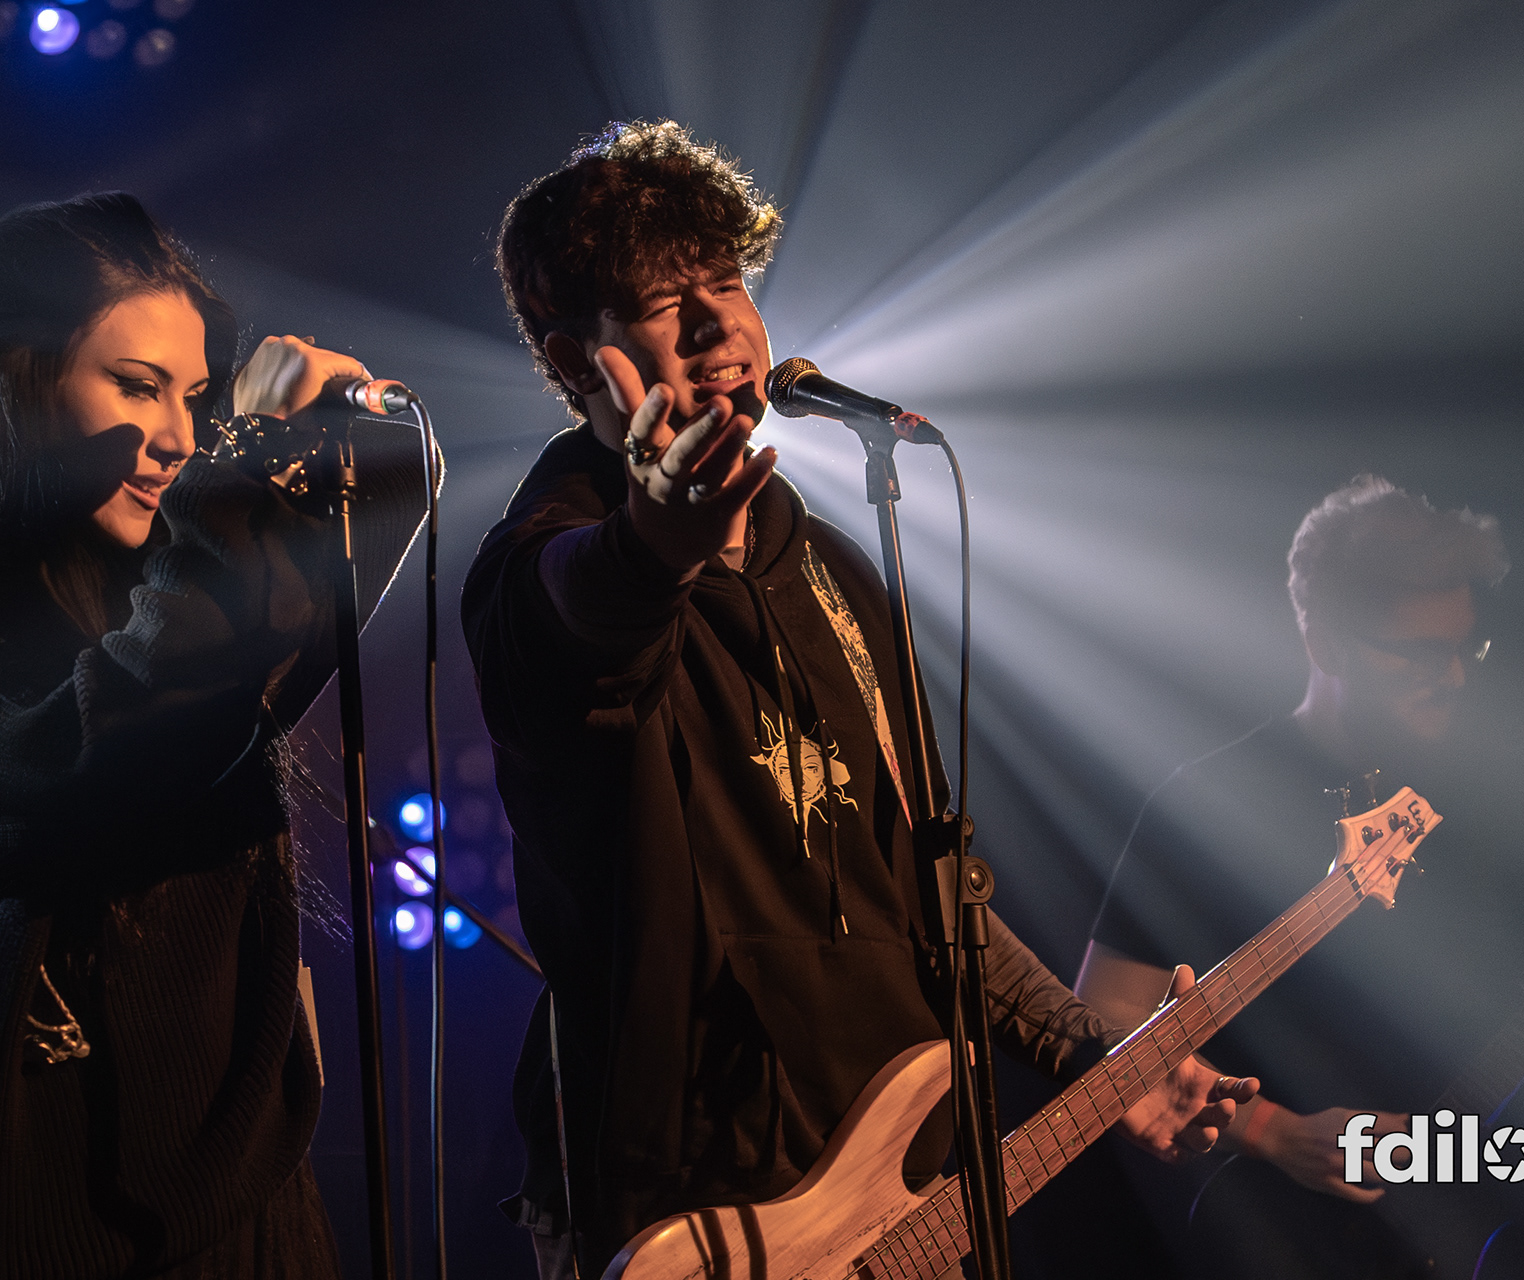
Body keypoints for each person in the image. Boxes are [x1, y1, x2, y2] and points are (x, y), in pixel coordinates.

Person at [462, 120, 1253, 1280]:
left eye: (726, 281)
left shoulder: (834, 566)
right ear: (580, 360)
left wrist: (1100, 1052)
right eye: (666, 300)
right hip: (686, 1204)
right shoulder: (539, 563)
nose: (719, 325)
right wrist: (652, 546)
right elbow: (590, 622)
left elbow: (931, 888)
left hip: (906, 1183)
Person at [0, 192, 409, 1277]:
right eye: (136, 384)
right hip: (20, 1239)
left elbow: (336, 570)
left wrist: (359, 441)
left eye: (198, 398)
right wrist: (246, 458)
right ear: (13, 383)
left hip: (256, 1233)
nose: (179, 438)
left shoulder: (167, 600)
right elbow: (82, 763)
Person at [1078, 475, 1524, 1277]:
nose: (1456, 677)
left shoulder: (1499, 803)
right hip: (1282, 1238)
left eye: (1468, 647)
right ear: (1326, 642)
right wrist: (1277, 1133)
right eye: (1422, 652)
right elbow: (1105, 1018)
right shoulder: (1207, 799)